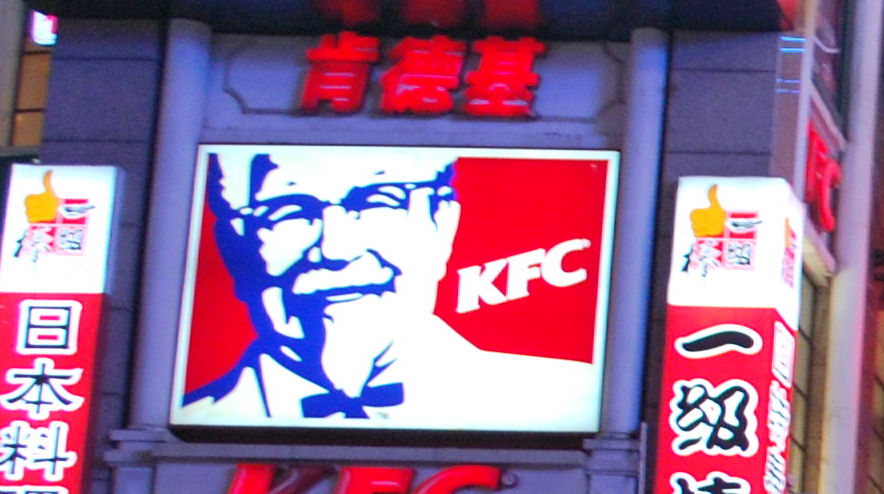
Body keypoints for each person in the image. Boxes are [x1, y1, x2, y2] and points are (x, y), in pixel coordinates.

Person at [177, 148, 596, 426]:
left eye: (378, 202)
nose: (336, 249)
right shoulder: (199, 413)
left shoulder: (563, 401)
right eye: (289, 212)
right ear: (233, 246)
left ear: (442, 225)